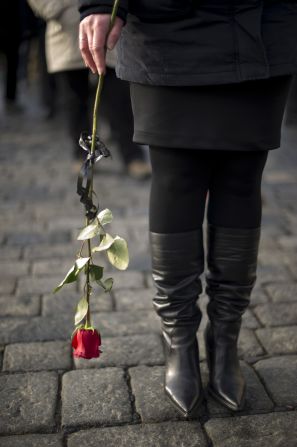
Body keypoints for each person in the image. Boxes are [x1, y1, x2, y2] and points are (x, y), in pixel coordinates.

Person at [77, 0, 296, 417]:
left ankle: (225, 339)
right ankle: (179, 338)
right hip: (167, 28)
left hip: (262, 24)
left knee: (241, 177)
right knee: (177, 179)